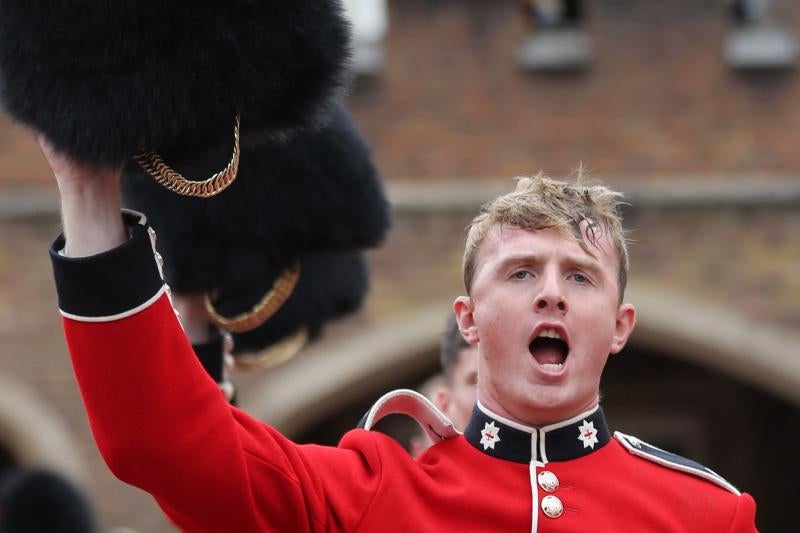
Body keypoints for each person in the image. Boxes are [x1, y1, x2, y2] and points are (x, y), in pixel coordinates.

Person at [41, 136, 758, 531]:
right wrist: (87, 195)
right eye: (519, 273)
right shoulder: (370, 495)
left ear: (620, 326)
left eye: (579, 276)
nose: (550, 291)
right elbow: (162, 440)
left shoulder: (708, 514)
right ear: (467, 319)